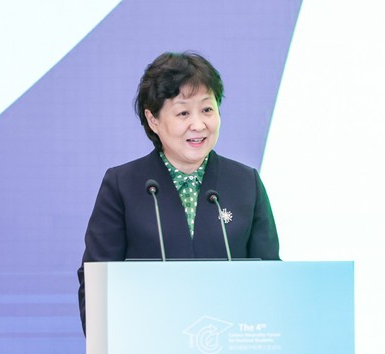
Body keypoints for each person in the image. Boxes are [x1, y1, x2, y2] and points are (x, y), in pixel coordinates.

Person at [77, 51, 280, 332]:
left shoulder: (246, 183)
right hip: (147, 346)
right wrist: (106, 345)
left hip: (228, 346)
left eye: (207, 110)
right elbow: (97, 282)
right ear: (153, 120)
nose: (198, 125)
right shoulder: (122, 185)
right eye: (183, 113)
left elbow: (271, 278)